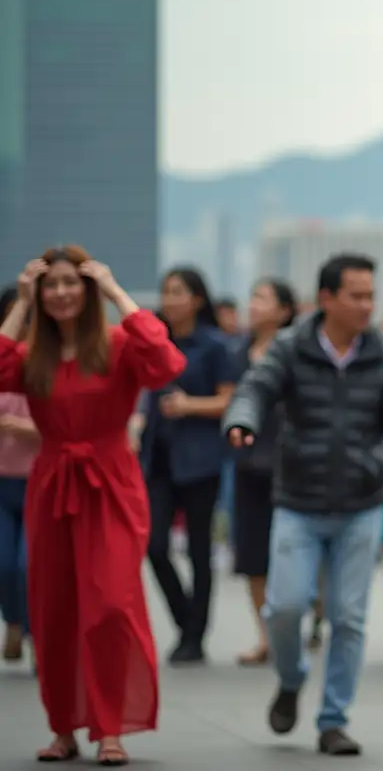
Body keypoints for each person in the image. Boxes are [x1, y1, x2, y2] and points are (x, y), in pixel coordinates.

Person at [223, 253, 383, 756]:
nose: (366, 305)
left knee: (348, 617)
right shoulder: (292, 346)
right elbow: (255, 389)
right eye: (356, 295)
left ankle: (333, 720)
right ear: (327, 297)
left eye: (371, 295)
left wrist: (374, 461)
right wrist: (241, 420)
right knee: (284, 608)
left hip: (362, 505)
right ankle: (290, 679)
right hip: (298, 502)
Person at [0, 248, 186, 765]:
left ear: (86, 291)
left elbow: (166, 361)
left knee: (109, 606)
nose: (60, 292)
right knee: (53, 608)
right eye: (50, 285)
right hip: (52, 484)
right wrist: (19, 301)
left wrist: (112, 288)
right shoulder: (33, 354)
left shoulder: (118, 343)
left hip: (112, 485)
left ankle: (110, 728)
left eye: (70, 283)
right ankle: (62, 729)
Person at [141, 267, 236, 664]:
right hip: (158, 458)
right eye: (165, 292)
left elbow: (228, 400)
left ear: (197, 299)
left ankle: (195, 636)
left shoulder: (215, 345)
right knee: (155, 546)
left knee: (199, 550)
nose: (170, 299)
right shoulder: (153, 342)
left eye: (178, 292)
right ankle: (185, 619)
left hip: (200, 459)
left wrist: (188, 406)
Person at [230, 277, 298, 666]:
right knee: (253, 555)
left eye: (262, 297)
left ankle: (295, 624)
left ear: (283, 310)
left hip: (291, 464)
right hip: (248, 465)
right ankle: (266, 637)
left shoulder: (298, 352)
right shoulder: (237, 352)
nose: (253, 304)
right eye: (252, 296)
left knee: (291, 551)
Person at [0, 285, 38, 665]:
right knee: (4, 563)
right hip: (2, 483)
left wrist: (30, 428)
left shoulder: (48, 360)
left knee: (32, 566)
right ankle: (13, 620)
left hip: (39, 481)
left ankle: (36, 633)